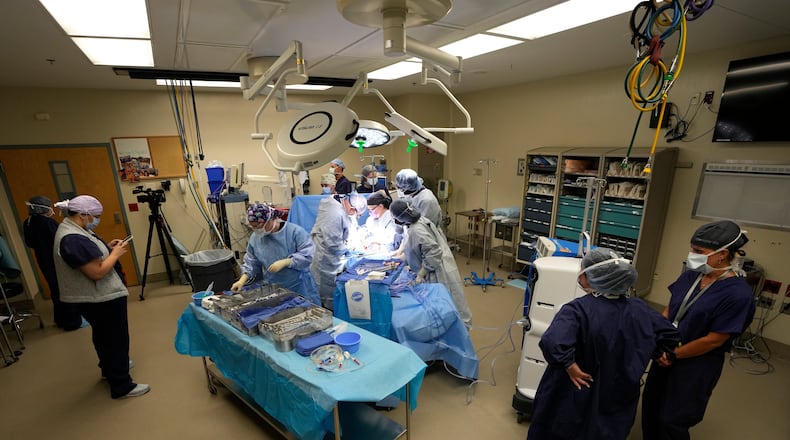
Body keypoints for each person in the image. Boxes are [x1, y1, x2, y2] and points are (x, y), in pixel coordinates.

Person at [527, 248, 680, 440]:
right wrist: (658, 351)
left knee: (562, 427)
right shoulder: (639, 308)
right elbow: (669, 334)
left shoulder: (577, 310)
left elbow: (553, 341)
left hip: (577, 387)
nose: (580, 275)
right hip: (619, 388)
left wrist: (569, 365)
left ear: (592, 278)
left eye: (583, 271)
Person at [641, 220, 755, 440]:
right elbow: (671, 308)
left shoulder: (738, 295)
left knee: (671, 420)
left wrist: (674, 355)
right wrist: (659, 340)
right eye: (692, 249)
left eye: (699, 251)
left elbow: (714, 340)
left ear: (722, 254)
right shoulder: (692, 275)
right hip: (665, 353)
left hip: (695, 365)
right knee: (651, 409)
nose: (693, 255)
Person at [52, 195, 149, 399]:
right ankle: (122, 385)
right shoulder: (72, 238)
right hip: (99, 298)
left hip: (94, 298)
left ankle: (110, 369)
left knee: (104, 335)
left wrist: (107, 248)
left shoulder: (75, 230)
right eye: (95, 216)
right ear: (82, 214)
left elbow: (92, 253)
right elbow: (96, 272)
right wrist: (115, 254)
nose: (96, 219)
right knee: (115, 339)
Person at [390, 200, 472, 325]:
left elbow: (433, 253)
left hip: (436, 270)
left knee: (445, 304)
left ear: (401, 218)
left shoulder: (417, 230)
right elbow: (416, 248)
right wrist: (401, 257)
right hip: (436, 263)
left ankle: (454, 329)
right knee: (446, 303)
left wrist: (422, 273)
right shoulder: (417, 222)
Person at [230, 203, 320, 305]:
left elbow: (308, 255)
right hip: (274, 289)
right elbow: (252, 261)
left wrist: (287, 262)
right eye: (253, 227)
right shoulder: (256, 238)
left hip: (300, 287)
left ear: (270, 220)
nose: (256, 230)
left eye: (258, 226)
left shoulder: (295, 232)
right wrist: (242, 280)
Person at [23, 195, 83, 330]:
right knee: (65, 289)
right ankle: (71, 322)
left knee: (55, 289)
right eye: (49, 206)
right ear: (43, 208)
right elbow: (62, 239)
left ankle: (60, 319)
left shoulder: (28, 222)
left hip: (43, 259)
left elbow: (29, 243)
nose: (51, 209)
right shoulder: (48, 223)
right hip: (56, 259)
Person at [310, 192, 367, 309]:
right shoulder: (334, 214)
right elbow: (332, 243)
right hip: (325, 257)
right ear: (352, 208)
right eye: (357, 214)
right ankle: (327, 311)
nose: (356, 217)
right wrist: (349, 249)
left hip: (333, 253)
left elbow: (349, 226)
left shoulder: (341, 204)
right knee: (325, 289)